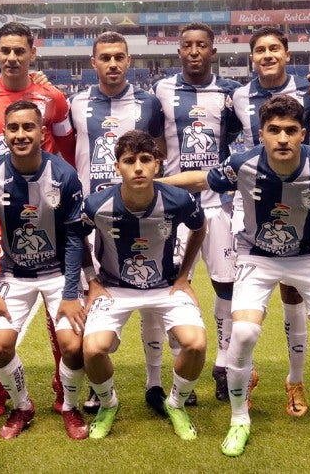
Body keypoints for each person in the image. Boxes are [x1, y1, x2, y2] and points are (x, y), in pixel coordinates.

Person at [161, 96, 310, 456]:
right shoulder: (243, 164)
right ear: (262, 134)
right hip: (257, 255)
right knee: (243, 332)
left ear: (303, 133)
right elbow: (201, 180)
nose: (283, 138)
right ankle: (239, 420)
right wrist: (155, 181)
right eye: (274, 131)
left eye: (290, 130)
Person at [0, 21, 74, 419]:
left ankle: (62, 391)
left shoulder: (51, 97)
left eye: (20, 50)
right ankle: (3, 396)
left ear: (32, 53)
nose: (12, 57)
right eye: (5, 50)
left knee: (63, 328)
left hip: (46, 215)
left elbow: (68, 145)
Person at [225, 25, 310, 417]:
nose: (268, 55)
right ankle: (240, 375)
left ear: (288, 54)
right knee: (243, 306)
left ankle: (295, 379)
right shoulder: (237, 95)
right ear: (251, 56)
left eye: (274, 49)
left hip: (302, 202)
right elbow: (226, 140)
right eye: (260, 50)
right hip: (255, 206)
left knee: (295, 295)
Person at [79, 130, 207, 441]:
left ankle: (176, 403)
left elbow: (200, 228)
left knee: (196, 344)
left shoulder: (179, 200)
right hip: (114, 287)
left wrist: (183, 276)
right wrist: (92, 282)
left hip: (165, 286)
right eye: (129, 161)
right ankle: (108, 404)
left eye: (145, 160)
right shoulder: (96, 204)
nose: (138, 167)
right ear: (117, 167)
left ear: (157, 165)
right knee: (93, 349)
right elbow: (76, 236)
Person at [68, 31, 168, 414]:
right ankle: (98, 385)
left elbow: (160, 149)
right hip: (94, 214)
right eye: (105, 57)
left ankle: (155, 383)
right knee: (96, 294)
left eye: (119, 57)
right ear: (92, 63)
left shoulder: (149, 103)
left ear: (129, 61)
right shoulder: (75, 103)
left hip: (142, 212)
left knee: (153, 298)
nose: (112, 63)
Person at [0, 100, 89, 440]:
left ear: (42, 132)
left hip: (59, 273)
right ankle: (22, 405)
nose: (20, 134)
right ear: (4, 133)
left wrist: (72, 294)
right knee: (0, 346)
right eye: (13, 128)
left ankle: (71, 408)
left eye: (28, 127)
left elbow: (75, 240)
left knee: (72, 345)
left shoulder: (64, 175)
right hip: (15, 275)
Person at [153, 22, 240, 407]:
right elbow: (155, 140)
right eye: (186, 45)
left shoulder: (231, 94)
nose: (193, 51)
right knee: (169, 284)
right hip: (173, 206)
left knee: (226, 285)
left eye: (201, 45)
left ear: (212, 51)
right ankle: (179, 370)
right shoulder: (162, 91)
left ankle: (223, 365)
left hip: (218, 205)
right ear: (179, 51)